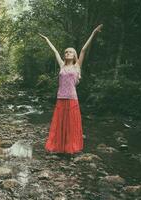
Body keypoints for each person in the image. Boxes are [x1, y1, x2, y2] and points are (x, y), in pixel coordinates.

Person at [39, 24, 103, 154]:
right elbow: (55, 51)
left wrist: (93, 33)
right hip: (61, 97)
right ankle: (59, 147)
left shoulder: (77, 66)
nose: (67, 53)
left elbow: (84, 49)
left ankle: (70, 148)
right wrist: (47, 40)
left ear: (74, 55)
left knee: (71, 124)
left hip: (72, 98)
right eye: (66, 52)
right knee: (60, 124)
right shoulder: (62, 65)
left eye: (70, 52)